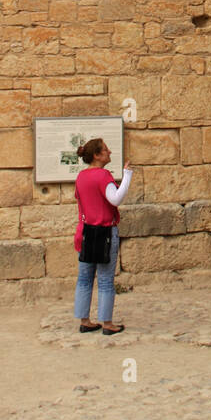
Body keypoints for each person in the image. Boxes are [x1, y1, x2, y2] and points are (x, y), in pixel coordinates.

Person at [73, 138, 133, 335]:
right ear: (97, 156)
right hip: (105, 231)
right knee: (106, 280)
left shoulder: (81, 176)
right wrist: (127, 175)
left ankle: (84, 320)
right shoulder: (103, 176)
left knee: (84, 278)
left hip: (87, 232)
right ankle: (107, 323)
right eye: (106, 150)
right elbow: (115, 198)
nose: (110, 152)